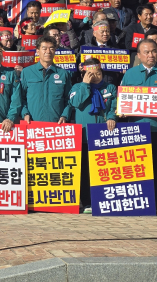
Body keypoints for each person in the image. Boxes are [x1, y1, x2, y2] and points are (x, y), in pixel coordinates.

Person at [120, 39, 157, 214]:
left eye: (154, 51)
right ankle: (139, 202)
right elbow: (122, 99)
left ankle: (155, 202)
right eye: (147, 52)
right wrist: (122, 110)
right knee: (137, 167)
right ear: (139, 55)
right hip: (136, 128)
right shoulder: (130, 74)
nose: (151, 55)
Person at [68, 58, 117, 214]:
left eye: (98, 73)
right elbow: (75, 103)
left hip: (103, 135)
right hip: (84, 135)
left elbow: (114, 106)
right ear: (84, 73)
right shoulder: (77, 87)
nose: (95, 76)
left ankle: (103, 200)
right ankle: (87, 201)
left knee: (101, 170)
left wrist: (111, 117)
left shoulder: (110, 87)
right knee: (84, 170)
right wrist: (85, 85)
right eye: (91, 73)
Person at [19, 36, 72, 123]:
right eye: (44, 48)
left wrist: (65, 115)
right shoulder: (27, 72)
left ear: (55, 51)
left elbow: (69, 99)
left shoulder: (63, 73)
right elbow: (21, 97)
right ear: (38, 51)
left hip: (56, 124)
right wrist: (25, 113)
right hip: (32, 124)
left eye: (51, 48)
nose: (48, 52)